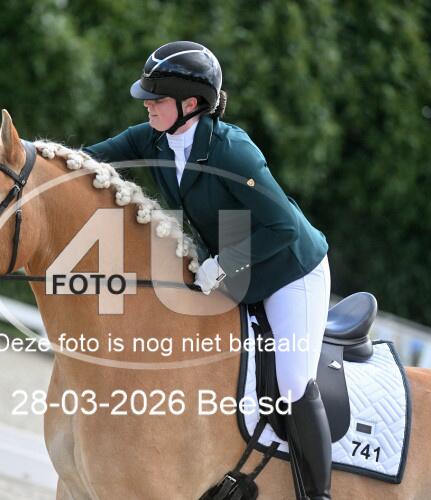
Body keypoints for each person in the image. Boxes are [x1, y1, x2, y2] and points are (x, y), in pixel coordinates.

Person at [84, 41, 332, 499]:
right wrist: (32, 160)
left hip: (290, 270)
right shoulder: (151, 138)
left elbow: (281, 226)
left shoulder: (232, 152)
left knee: (293, 383)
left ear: (190, 104)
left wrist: (223, 264)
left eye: (156, 99)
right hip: (231, 274)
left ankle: (318, 495)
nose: (147, 105)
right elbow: (84, 161)